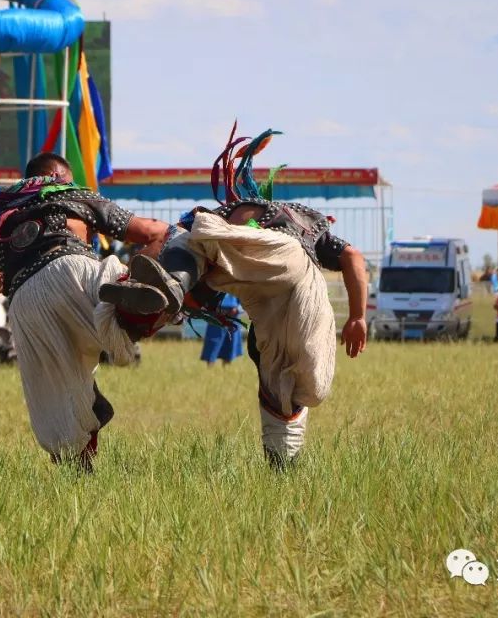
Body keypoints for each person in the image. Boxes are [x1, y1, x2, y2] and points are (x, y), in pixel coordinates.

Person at [97, 129, 369, 467]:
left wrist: (159, 299)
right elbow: (353, 256)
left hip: (265, 259)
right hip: (288, 276)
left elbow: (168, 240)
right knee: (289, 389)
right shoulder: (300, 216)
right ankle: (282, 467)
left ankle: (161, 284)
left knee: (186, 237)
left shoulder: (220, 215)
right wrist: (357, 316)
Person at [0, 152, 169, 469]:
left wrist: (16, 276)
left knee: (58, 395)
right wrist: (176, 239)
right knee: (132, 281)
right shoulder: (71, 193)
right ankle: (131, 305)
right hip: (75, 272)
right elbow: (151, 232)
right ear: (60, 178)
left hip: (23, 305)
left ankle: (75, 468)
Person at [199, 294, 244, 367]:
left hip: (233, 313)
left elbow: (245, 296)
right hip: (216, 313)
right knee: (213, 341)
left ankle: (226, 369)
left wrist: (238, 309)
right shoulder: (213, 282)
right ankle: (210, 369)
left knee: (230, 343)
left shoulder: (239, 282)